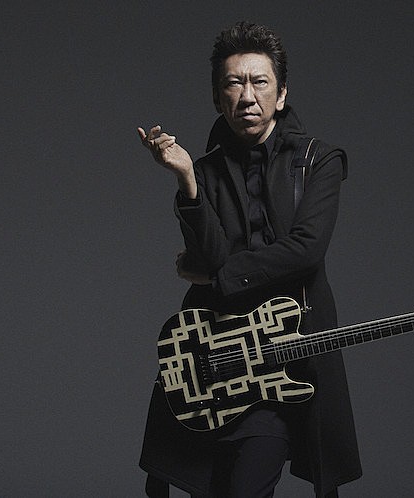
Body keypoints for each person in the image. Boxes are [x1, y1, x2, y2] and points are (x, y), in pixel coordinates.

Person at [137, 21, 361, 497]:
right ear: (217, 98)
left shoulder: (319, 161)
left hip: (284, 360)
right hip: (212, 358)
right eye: (233, 84)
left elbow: (306, 249)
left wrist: (219, 277)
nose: (247, 96)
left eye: (259, 82)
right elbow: (213, 253)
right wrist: (186, 179)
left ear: (282, 94)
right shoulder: (205, 171)